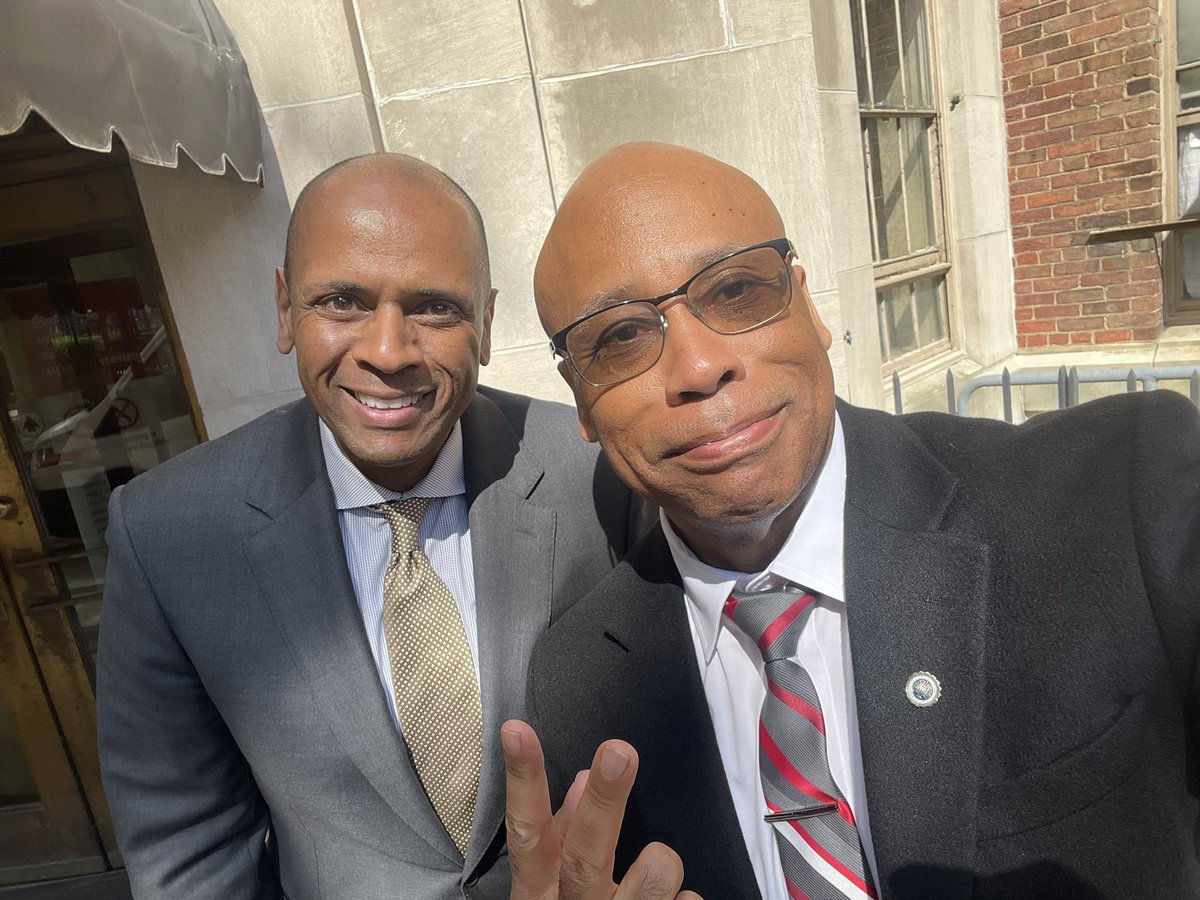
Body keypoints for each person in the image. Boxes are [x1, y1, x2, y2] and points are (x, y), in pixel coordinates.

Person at [516, 141, 1200, 899]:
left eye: (736, 291)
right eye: (621, 337)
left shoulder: (1120, 496)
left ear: (808, 307)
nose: (700, 366)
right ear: (580, 401)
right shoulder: (576, 683)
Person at [96, 153, 646, 900]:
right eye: (342, 302)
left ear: (485, 324)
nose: (387, 353)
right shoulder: (168, 532)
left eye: (433, 307)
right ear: (285, 309)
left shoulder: (595, 469)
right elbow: (187, 846)